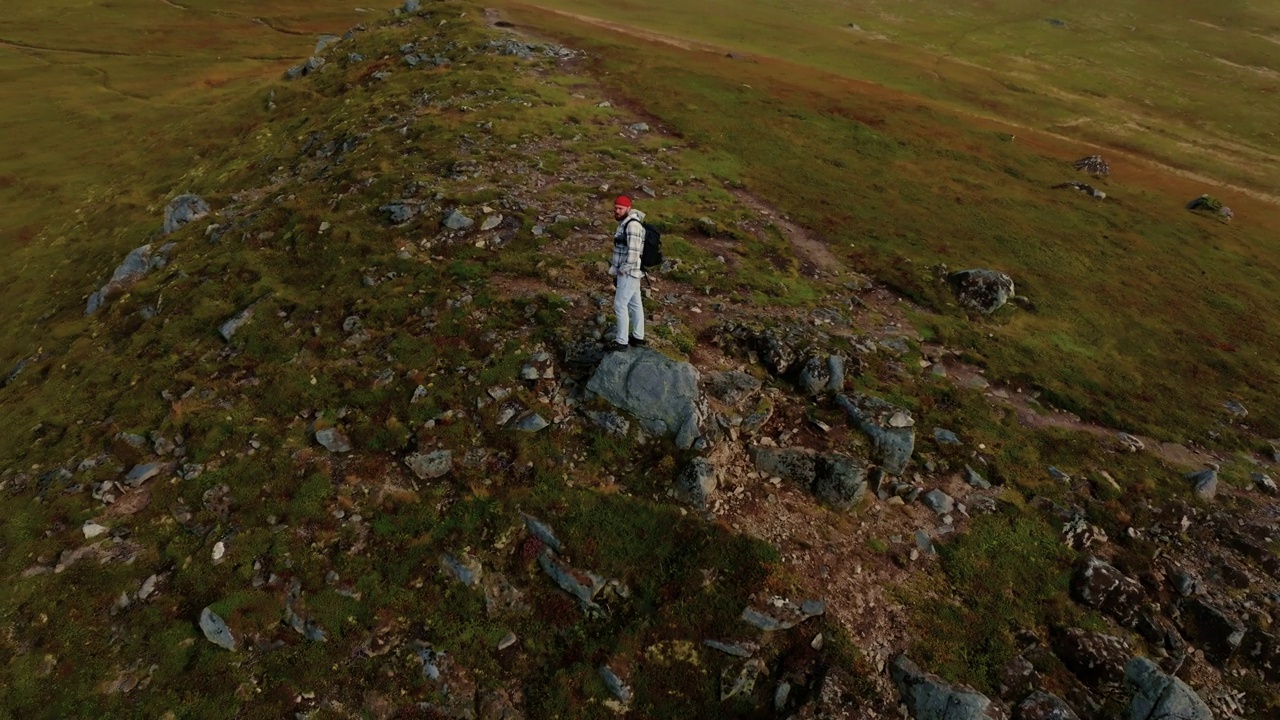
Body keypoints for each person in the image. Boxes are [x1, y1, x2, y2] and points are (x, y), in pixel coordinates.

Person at [606, 195, 647, 352]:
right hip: (632, 272)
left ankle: (621, 341)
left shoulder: (632, 226)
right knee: (635, 304)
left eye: (620, 208)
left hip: (629, 272)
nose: (617, 211)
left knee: (620, 305)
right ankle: (638, 337)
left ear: (628, 208)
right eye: (615, 208)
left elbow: (634, 252)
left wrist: (622, 269)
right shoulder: (625, 224)